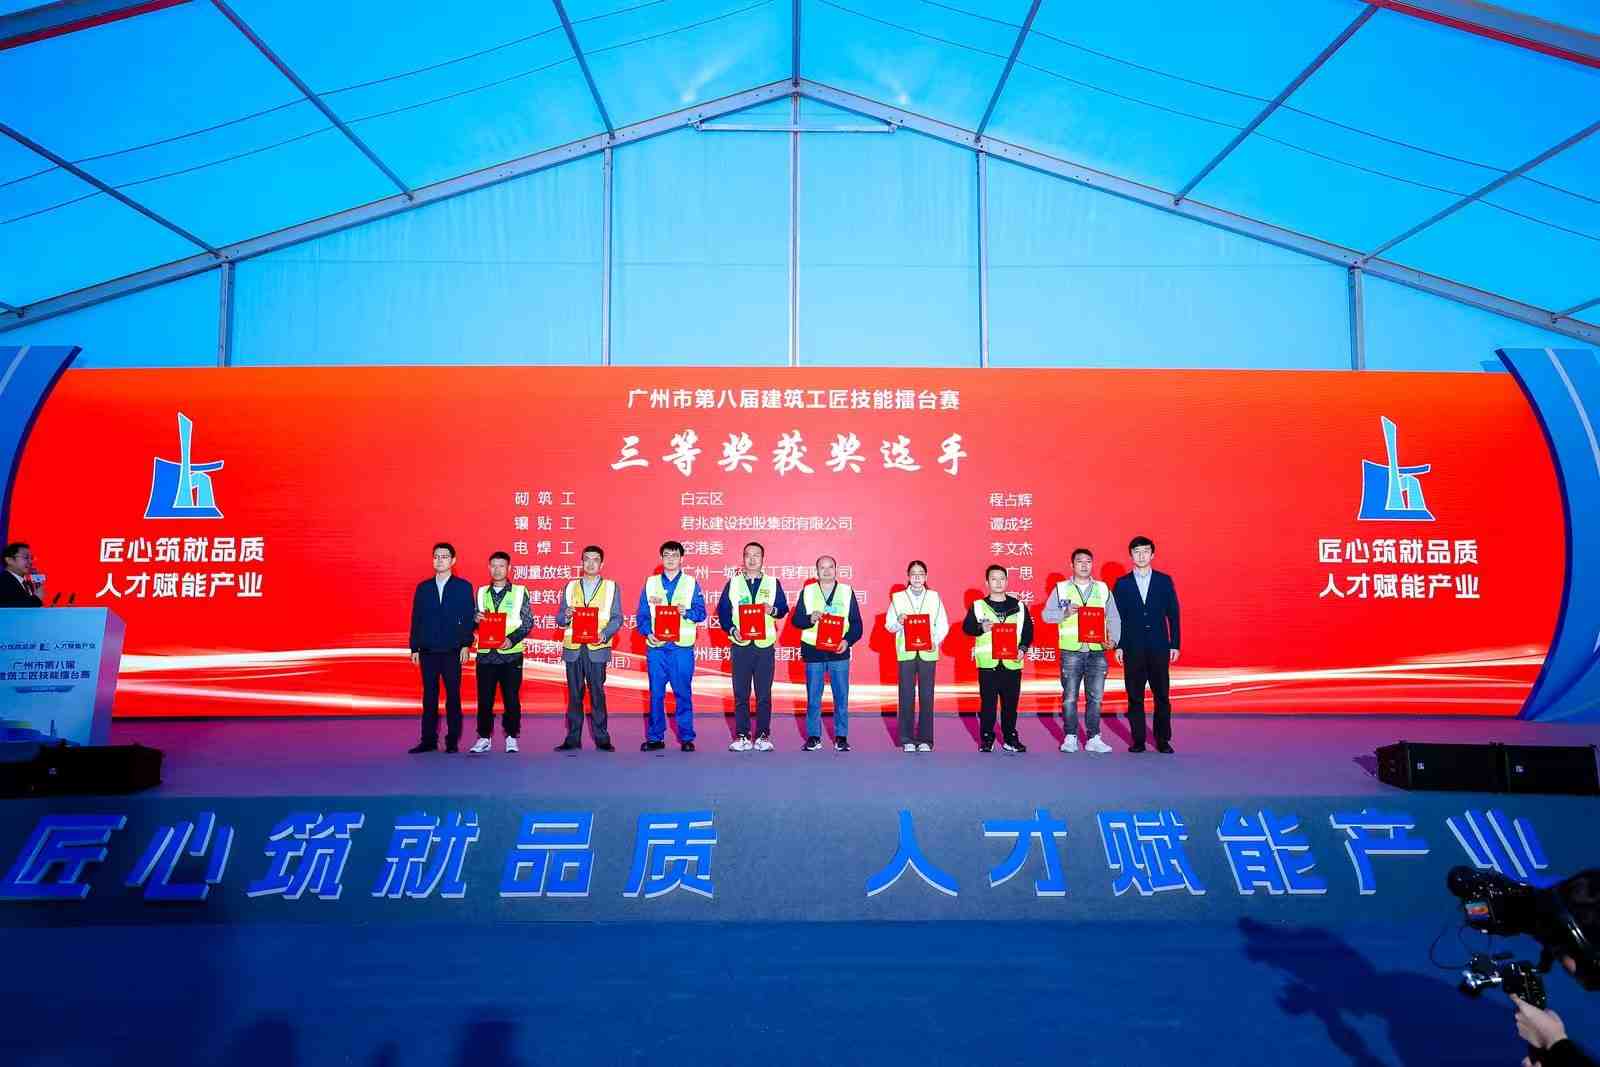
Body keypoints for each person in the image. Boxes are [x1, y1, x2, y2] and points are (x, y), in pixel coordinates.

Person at [1041, 548, 1121, 754]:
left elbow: (1113, 617)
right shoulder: (1061, 589)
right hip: (1071, 651)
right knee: (1070, 697)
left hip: (1097, 650)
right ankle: (1070, 736)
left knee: (1096, 697)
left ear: (1092, 564)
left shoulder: (1103, 588)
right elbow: (1046, 615)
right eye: (1079, 561)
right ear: (1072, 565)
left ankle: (1094, 737)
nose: (1084, 565)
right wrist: (1065, 612)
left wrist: (1114, 640)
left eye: (1088, 561)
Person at [1112, 536, 1181, 754]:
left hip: (1159, 647)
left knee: (1162, 696)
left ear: (1152, 554)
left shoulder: (1164, 581)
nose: (1141, 556)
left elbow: (1173, 614)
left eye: (1145, 551)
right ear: (1131, 555)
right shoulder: (1122, 584)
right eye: (1137, 552)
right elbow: (1116, 617)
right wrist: (1118, 645)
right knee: (1135, 697)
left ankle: (1163, 740)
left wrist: (1175, 644)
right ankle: (1138, 740)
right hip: (1132, 648)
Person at [717, 541, 789, 752]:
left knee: (764, 694)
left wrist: (771, 609)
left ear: (763, 559)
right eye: (748, 555)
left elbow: (783, 608)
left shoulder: (773, 583)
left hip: (764, 646)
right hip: (741, 645)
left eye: (756, 555)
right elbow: (723, 612)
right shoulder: (733, 583)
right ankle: (742, 735)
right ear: (743, 558)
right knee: (741, 693)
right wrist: (732, 630)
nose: (752, 559)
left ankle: (763, 735)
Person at [637, 540, 706, 752]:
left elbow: (701, 613)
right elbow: (642, 615)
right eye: (666, 555)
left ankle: (686, 737)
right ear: (661, 558)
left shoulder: (691, 583)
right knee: (656, 694)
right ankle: (655, 737)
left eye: (675, 555)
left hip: (681, 648)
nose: (670, 559)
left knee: (682, 693)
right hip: (657, 648)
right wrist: (648, 633)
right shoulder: (650, 583)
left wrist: (687, 612)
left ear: (681, 559)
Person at [408, 542, 476, 754]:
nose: (439, 560)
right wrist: (415, 648)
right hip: (428, 650)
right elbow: (416, 618)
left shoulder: (463, 587)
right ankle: (428, 740)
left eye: (444, 556)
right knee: (429, 697)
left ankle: (452, 740)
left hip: (452, 650)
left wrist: (466, 644)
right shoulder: (423, 588)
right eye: (436, 556)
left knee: (453, 697)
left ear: (453, 561)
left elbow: (468, 618)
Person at [553, 544, 622, 752]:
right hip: (574, 648)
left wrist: (605, 634)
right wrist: (566, 616)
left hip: (597, 648)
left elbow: (617, 618)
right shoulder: (570, 586)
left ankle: (602, 738)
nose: (590, 563)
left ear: (602, 564)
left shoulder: (611, 587)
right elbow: (559, 618)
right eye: (587, 559)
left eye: (595, 559)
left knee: (597, 694)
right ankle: (572, 738)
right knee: (574, 695)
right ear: (581, 562)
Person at [791, 555, 864, 752]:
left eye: (830, 567)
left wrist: (847, 641)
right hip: (813, 651)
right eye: (822, 567)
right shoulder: (808, 591)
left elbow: (857, 624)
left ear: (836, 569)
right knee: (813, 697)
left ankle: (841, 737)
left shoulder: (846, 591)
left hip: (838, 651)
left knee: (841, 696)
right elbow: (796, 621)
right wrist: (809, 618)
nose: (826, 571)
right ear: (816, 571)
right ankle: (814, 737)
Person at [962, 564, 1034, 753]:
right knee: (988, 705)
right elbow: (967, 628)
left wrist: (1023, 648)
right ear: (987, 582)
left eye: (1002, 578)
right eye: (994, 579)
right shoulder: (978, 605)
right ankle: (987, 738)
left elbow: (1028, 631)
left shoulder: (1019, 606)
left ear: (1007, 581)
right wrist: (981, 628)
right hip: (988, 664)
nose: (998, 582)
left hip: (1012, 663)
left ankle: (1010, 738)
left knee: (1010, 705)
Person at [468, 551, 533, 755]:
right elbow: (473, 621)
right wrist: (474, 620)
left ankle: (512, 736)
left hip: (511, 655)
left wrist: (511, 639)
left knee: (511, 699)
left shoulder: (520, 592)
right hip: (486, 655)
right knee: (484, 699)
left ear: (509, 568)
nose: (497, 570)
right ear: (489, 568)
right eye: (494, 566)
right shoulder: (481, 592)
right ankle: (484, 737)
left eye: (501, 566)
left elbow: (528, 622)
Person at [883, 559, 949, 752]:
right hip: (906, 652)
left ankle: (926, 740)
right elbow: (889, 625)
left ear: (926, 577)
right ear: (908, 576)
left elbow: (942, 623)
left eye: (921, 574)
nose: (917, 577)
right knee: (906, 695)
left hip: (928, 652)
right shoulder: (898, 597)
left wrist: (934, 641)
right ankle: (907, 739)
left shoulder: (934, 597)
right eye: (914, 574)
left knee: (927, 696)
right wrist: (899, 621)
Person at [1, 542, 43, 607]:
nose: (30, 562)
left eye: (31, 558)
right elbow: (11, 607)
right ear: (9, 560)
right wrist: (36, 599)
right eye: (26, 557)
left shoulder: (28, 583)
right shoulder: (3, 582)